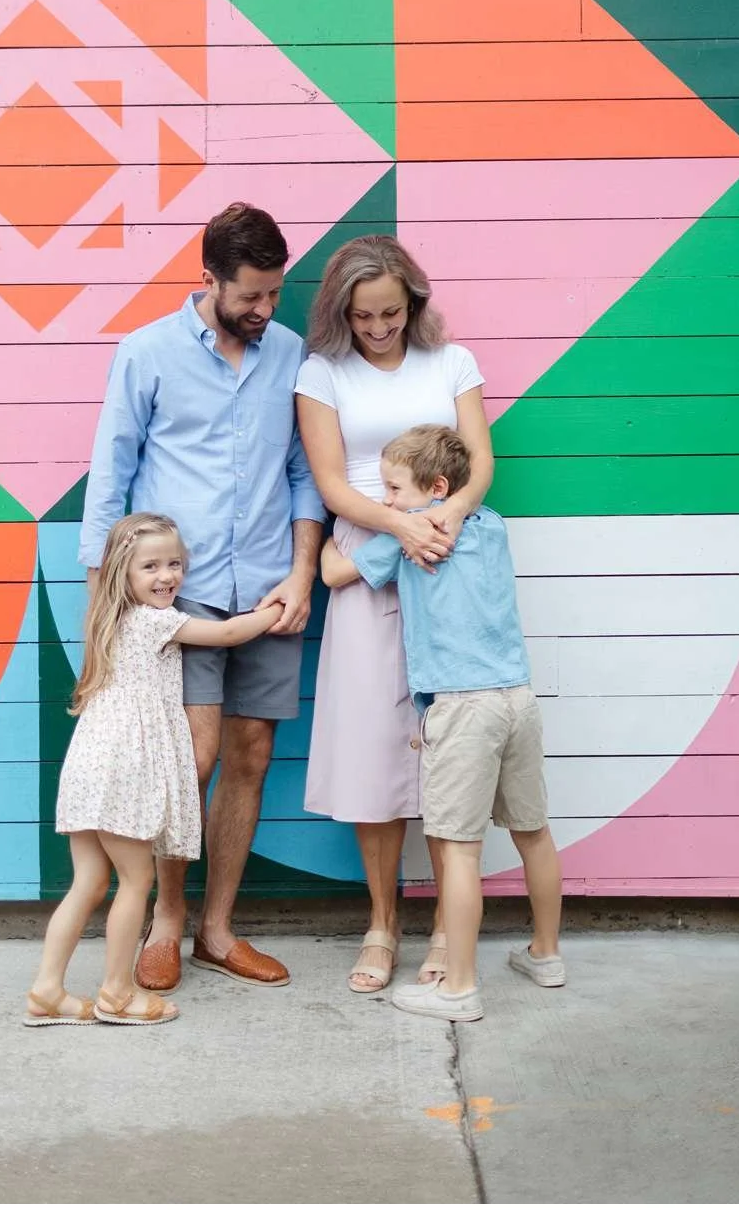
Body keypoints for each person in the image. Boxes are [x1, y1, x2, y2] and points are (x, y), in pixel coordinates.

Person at [79, 203, 325, 992]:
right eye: (250, 295)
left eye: (274, 294)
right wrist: (104, 603)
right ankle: (166, 919)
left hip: (268, 584)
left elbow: (300, 473)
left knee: (251, 754)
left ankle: (218, 929)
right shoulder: (146, 352)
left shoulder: (289, 354)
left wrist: (300, 570)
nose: (264, 310)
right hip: (175, 597)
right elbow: (111, 470)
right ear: (210, 279)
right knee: (189, 760)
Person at [295, 236, 494, 994]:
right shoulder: (322, 373)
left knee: (450, 743)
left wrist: (443, 519)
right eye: (364, 316)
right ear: (342, 313)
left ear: (414, 301)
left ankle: (451, 921)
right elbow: (329, 482)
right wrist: (396, 527)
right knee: (376, 747)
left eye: (392, 312)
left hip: (445, 557)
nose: (379, 328)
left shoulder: (453, 364)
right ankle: (382, 922)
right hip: (369, 559)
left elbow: (479, 460)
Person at [320, 425, 565, 1023]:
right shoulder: (493, 525)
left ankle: (457, 987)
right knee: (532, 831)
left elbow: (333, 572)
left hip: (461, 706)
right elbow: (468, 501)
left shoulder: (410, 535)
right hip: (516, 697)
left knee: (458, 850)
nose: (387, 502)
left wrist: (347, 535)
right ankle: (546, 955)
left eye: (394, 489)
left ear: (433, 488)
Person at [25, 514, 286, 1027]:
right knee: (136, 880)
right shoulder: (152, 620)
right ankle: (118, 993)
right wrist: (274, 609)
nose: (167, 575)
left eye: (175, 564)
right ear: (124, 573)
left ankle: (47, 990)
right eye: (151, 566)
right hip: (123, 773)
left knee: (87, 884)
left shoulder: (108, 622)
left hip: (89, 772)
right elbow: (230, 631)